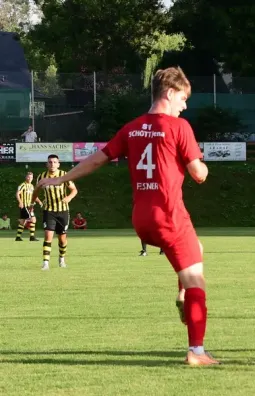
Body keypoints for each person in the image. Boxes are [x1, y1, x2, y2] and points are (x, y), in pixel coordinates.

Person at [36, 66, 219, 366]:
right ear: (170, 93)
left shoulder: (131, 127)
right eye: (184, 98)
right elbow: (199, 175)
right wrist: (202, 163)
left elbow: (97, 160)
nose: (185, 106)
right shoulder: (179, 127)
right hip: (170, 215)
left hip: (141, 217)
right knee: (196, 280)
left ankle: (182, 294)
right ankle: (197, 352)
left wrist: (60, 178)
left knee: (196, 250)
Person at [31, 155, 78, 270]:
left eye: (54, 162)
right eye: (50, 162)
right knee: (48, 236)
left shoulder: (64, 175)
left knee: (62, 239)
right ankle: (45, 263)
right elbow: (36, 191)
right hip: (49, 211)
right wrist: (32, 204)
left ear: (58, 164)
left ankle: (61, 259)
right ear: (47, 164)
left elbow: (74, 190)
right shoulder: (42, 177)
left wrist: (69, 198)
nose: (52, 164)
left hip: (63, 210)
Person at [15, 171, 42, 241]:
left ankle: (18, 237)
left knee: (22, 221)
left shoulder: (32, 186)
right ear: (26, 177)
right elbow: (17, 194)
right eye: (28, 177)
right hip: (25, 205)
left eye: (31, 177)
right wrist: (20, 202)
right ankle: (32, 237)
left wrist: (39, 201)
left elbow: (34, 196)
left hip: (29, 206)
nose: (30, 178)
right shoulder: (22, 185)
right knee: (33, 220)